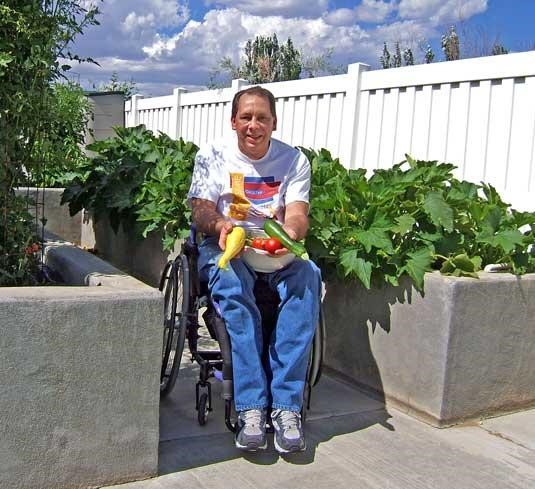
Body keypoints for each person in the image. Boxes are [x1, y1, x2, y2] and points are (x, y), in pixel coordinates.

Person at [187, 86, 321, 454]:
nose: (253, 125)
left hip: (274, 249)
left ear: (273, 123)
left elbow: (296, 213)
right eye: (245, 117)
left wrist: (290, 233)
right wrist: (220, 226)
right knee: (232, 288)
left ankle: (286, 407)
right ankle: (250, 406)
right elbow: (199, 210)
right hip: (226, 242)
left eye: (262, 117)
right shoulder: (213, 155)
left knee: (309, 278)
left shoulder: (293, 161)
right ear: (233, 121)